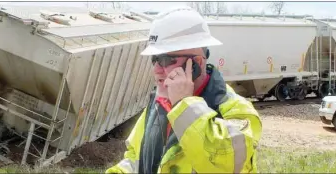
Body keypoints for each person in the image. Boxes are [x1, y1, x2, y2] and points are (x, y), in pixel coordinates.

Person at [106, 6, 262, 174]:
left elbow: (227, 165)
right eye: (155, 59)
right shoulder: (158, 104)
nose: (157, 69)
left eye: (166, 60)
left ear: (196, 64)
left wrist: (184, 106)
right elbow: (137, 158)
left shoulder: (235, 110)